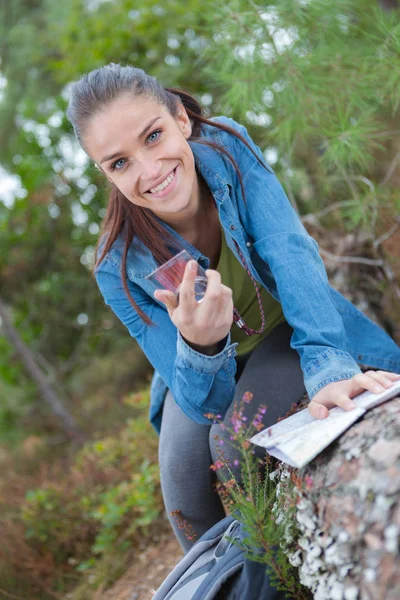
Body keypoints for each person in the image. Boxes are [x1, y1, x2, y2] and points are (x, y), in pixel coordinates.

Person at [66, 63, 400, 553]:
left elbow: (288, 249)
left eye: (153, 136)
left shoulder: (229, 150)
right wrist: (202, 345)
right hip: (196, 370)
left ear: (181, 119)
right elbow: (201, 400)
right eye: (119, 163)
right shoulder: (118, 266)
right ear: (105, 173)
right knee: (183, 492)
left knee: (233, 448)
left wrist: (328, 363)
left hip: (281, 332)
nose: (150, 171)